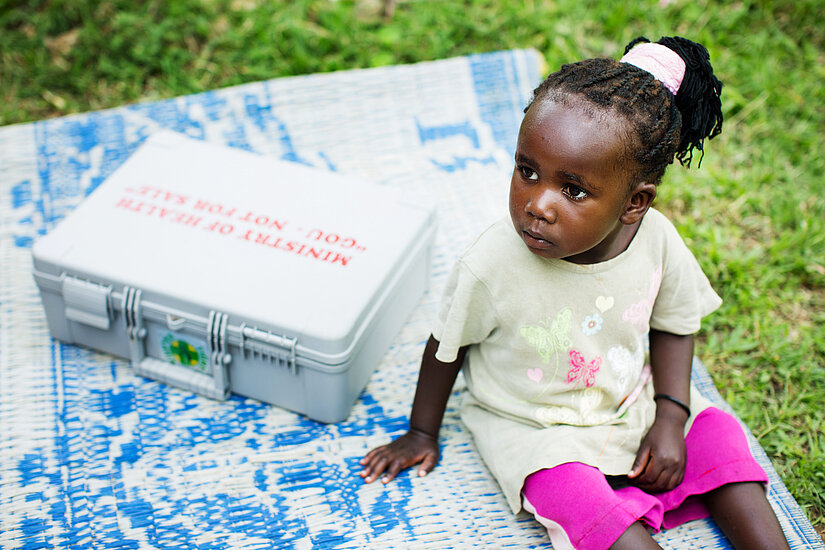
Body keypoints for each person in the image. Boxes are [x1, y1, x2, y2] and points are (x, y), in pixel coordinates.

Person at [359, 36, 790, 549]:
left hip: (633, 401)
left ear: (635, 203)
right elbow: (444, 346)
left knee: (717, 434)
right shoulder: (492, 262)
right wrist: (422, 433)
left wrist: (671, 418)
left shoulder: (656, 240)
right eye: (527, 171)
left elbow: (675, 324)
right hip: (536, 428)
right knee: (572, 496)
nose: (538, 204)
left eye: (574, 190)